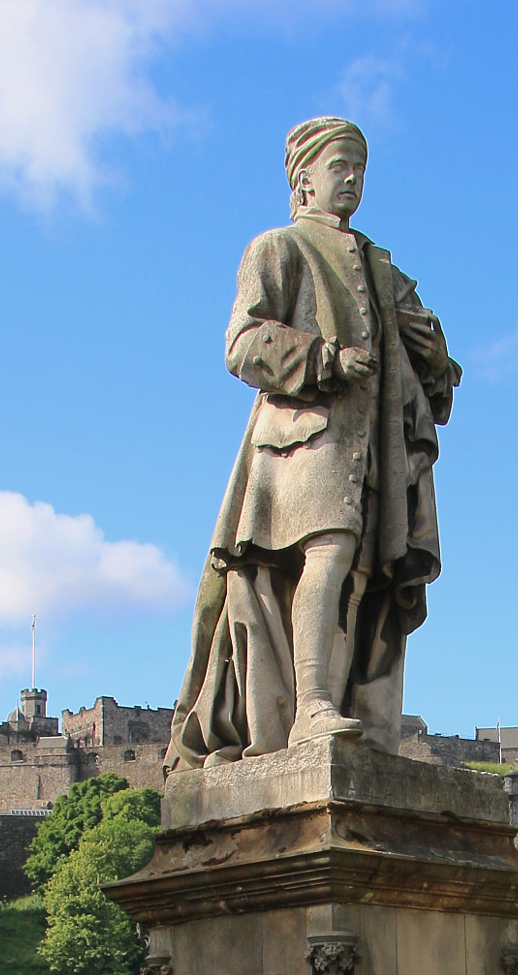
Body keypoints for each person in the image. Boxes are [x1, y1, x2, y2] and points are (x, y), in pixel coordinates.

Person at [167, 116, 460, 767]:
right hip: (302, 443)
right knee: (326, 556)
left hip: (371, 449)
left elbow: (424, 342)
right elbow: (242, 344)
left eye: (360, 167)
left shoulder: (380, 267)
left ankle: (342, 703)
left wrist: (432, 365)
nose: (352, 178)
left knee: (359, 574)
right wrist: (323, 359)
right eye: (339, 167)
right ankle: (307, 709)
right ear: (302, 181)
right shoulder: (278, 247)